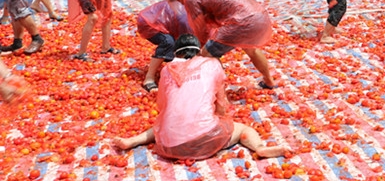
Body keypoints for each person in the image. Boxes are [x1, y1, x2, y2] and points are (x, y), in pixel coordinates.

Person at [111, 34, 288, 160]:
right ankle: (260, 148)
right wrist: (221, 118)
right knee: (243, 130)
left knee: (163, 123)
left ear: (176, 53)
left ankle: (133, 141)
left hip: (168, 145)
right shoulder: (212, 64)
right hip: (205, 140)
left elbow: (162, 107)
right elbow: (221, 106)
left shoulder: (166, 70)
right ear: (198, 51)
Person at [170, 0, 276, 88]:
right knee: (252, 50)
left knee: (207, 55)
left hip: (240, 22)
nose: (178, 1)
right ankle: (268, 81)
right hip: (259, 17)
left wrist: (200, 48)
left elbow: (201, 28)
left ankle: (219, 92)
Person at [136, 0, 193, 92]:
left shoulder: (194, 13)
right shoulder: (186, 17)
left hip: (164, 24)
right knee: (168, 42)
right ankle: (149, 78)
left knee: (176, 46)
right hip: (149, 24)